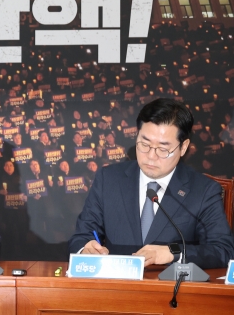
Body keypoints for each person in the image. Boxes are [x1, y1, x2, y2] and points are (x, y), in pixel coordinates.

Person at [68, 98, 234, 269]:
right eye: (144, 144)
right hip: (116, 289)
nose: (151, 156)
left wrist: (172, 252)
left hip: (172, 291)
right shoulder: (108, 179)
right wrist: (85, 249)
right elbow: (81, 237)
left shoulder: (203, 190)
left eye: (163, 149)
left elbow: (223, 250)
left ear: (183, 147)